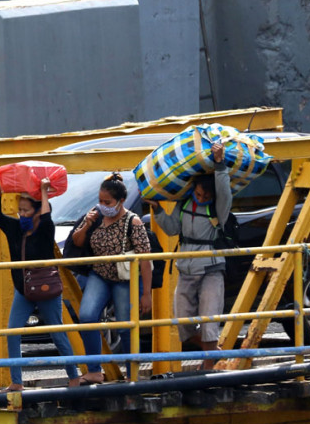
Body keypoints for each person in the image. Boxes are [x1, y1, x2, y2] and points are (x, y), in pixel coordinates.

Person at [0, 178, 82, 391]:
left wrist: (44, 193)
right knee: (12, 332)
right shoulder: (14, 228)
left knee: (57, 332)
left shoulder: (45, 228)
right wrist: (3, 184)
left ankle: (74, 376)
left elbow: (47, 219)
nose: (22, 214)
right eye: (19, 210)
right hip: (24, 288)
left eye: (26, 210)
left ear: (37, 210)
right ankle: (17, 382)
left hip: (46, 287)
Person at [149, 142, 231, 369]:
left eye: (206, 196)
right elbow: (172, 228)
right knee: (182, 322)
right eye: (198, 194)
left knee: (208, 319)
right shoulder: (184, 203)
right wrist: (157, 210)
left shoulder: (218, 208)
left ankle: (207, 364)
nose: (201, 198)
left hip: (210, 270)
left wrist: (220, 164)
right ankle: (213, 351)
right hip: (185, 269)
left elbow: (224, 190)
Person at [72, 173, 152, 383]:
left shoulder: (133, 222)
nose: (102, 205)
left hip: (123, 279)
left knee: (125, 325)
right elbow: (77, 242)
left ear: (121, 201)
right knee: (87, 317)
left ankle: (131, 371)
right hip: (100, 274)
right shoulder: (96, 216)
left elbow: (145, 259)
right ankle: (94, 370)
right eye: (100, 201)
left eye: (107, 202)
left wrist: (146, 294)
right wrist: (87, 224)